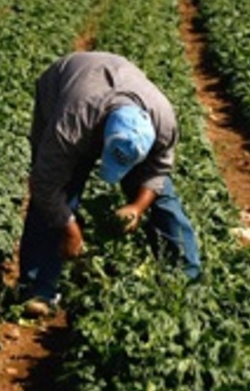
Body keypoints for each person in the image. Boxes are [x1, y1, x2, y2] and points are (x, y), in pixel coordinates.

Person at [18, 51, 201, 317]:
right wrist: (69, 230)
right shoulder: (72, 124)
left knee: (164, 203)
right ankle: (38, 288)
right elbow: (44, 183)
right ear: (102, 138)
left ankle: (186, 283)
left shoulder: (163, 122)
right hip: (61, 86)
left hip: (112, 85)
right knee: (59, 190)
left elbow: (158, 172)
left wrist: (137, 207)